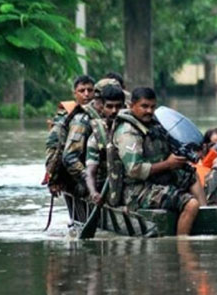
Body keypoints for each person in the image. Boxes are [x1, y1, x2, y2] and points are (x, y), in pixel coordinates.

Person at [111, 87, 206, 236]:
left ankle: (206, 214)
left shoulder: (152, 124)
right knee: (191, 204)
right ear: (131, 106)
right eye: (144, 106)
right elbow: (134, 169)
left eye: (152, 107)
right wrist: (168, 164)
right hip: (136, 190)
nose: (149, 111)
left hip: (156, 178)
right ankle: (183, 247)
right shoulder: (128, 132)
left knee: (191, 175)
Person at [84, 85, 125, 204]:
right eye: (109, 106)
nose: (114, 111)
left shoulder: (134, 129)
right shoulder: (97, 137)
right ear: (102, 108)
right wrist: (93, 192)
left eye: (118, 106)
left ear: (124, 106)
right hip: (109, 186)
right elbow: (90, 171)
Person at [59, 75, 99, 197]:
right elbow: (69, 157)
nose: (86, 94)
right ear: (75, 94)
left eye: (90, 90)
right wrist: (88, 179)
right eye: (82, 91)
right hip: (80, 177)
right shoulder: (79, 120)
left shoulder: (101, 113)